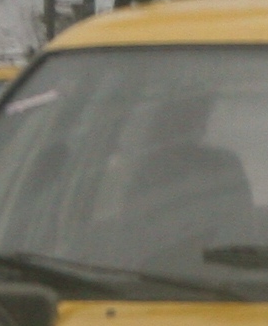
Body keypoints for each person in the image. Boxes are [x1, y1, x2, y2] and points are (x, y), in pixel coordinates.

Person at [101, 92, 251, 265]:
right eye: (185, 118)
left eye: (199, 117)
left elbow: (241, 225)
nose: (196, 125)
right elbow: (132, 236)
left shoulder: (224, 164)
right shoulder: (149, 172)